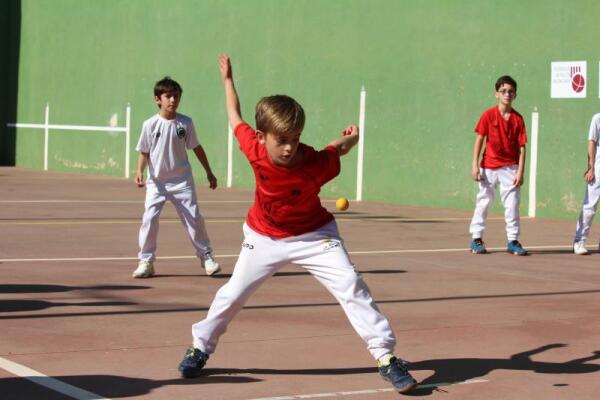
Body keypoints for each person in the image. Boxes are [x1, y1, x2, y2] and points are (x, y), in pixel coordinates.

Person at [177, 55, 417, 394]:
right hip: (263, 235)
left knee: (351, 283)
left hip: (314, 235)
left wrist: (353, 138)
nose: (290, 147)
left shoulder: (314, 163)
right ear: (262, 137)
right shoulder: (252, 147)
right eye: (282, 140)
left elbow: (337, 148)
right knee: (232, 293)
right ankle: (200, 347)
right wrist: (227, 79)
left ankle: (386, 356)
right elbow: (234, 115)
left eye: (296, 137)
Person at [132, 76, 220, 278]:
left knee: (194, 219)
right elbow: (144, 151)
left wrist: (209, 172)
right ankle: (146, 261)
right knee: (149, 219)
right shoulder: (150, 125)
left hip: (182, 182)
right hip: (157, 183)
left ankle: (206, 256)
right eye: (168, 96)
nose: (172, 100)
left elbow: (196, 148)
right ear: (158, 99)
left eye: (176, 96)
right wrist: (139, 172)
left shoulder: (186, 123)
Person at [468, 75, 528, 255]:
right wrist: (474, 165)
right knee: (483, 202)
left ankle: (513, 241)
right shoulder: (488, 115)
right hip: (488, 166)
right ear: (496, 94)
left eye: (510, 91)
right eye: (503, 91)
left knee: (512, 205)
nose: (507, 94)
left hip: (510, 168)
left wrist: (520, 171)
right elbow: (479, 139)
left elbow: (522, 148)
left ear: (515, 95)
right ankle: (476, 238)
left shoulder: (518, 119)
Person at [572, 113, 600, 255]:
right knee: (589, 207)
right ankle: (579, 241)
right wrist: (591, 168)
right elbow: (592, 143)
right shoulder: (597, 118)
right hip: (598, 171)